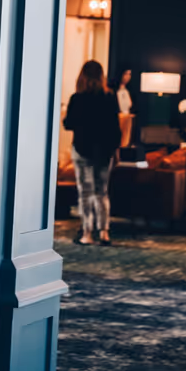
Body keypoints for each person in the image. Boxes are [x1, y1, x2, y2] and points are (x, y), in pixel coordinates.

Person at [63, 60, 121, 245]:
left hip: (82, 149)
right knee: (102, 192)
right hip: (104, 151)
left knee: (85, 193)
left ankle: (87, 233)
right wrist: (115, 150)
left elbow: (68, 124)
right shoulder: (110, 97)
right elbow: (115, 128)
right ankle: (104, 232)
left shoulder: (77, 99)